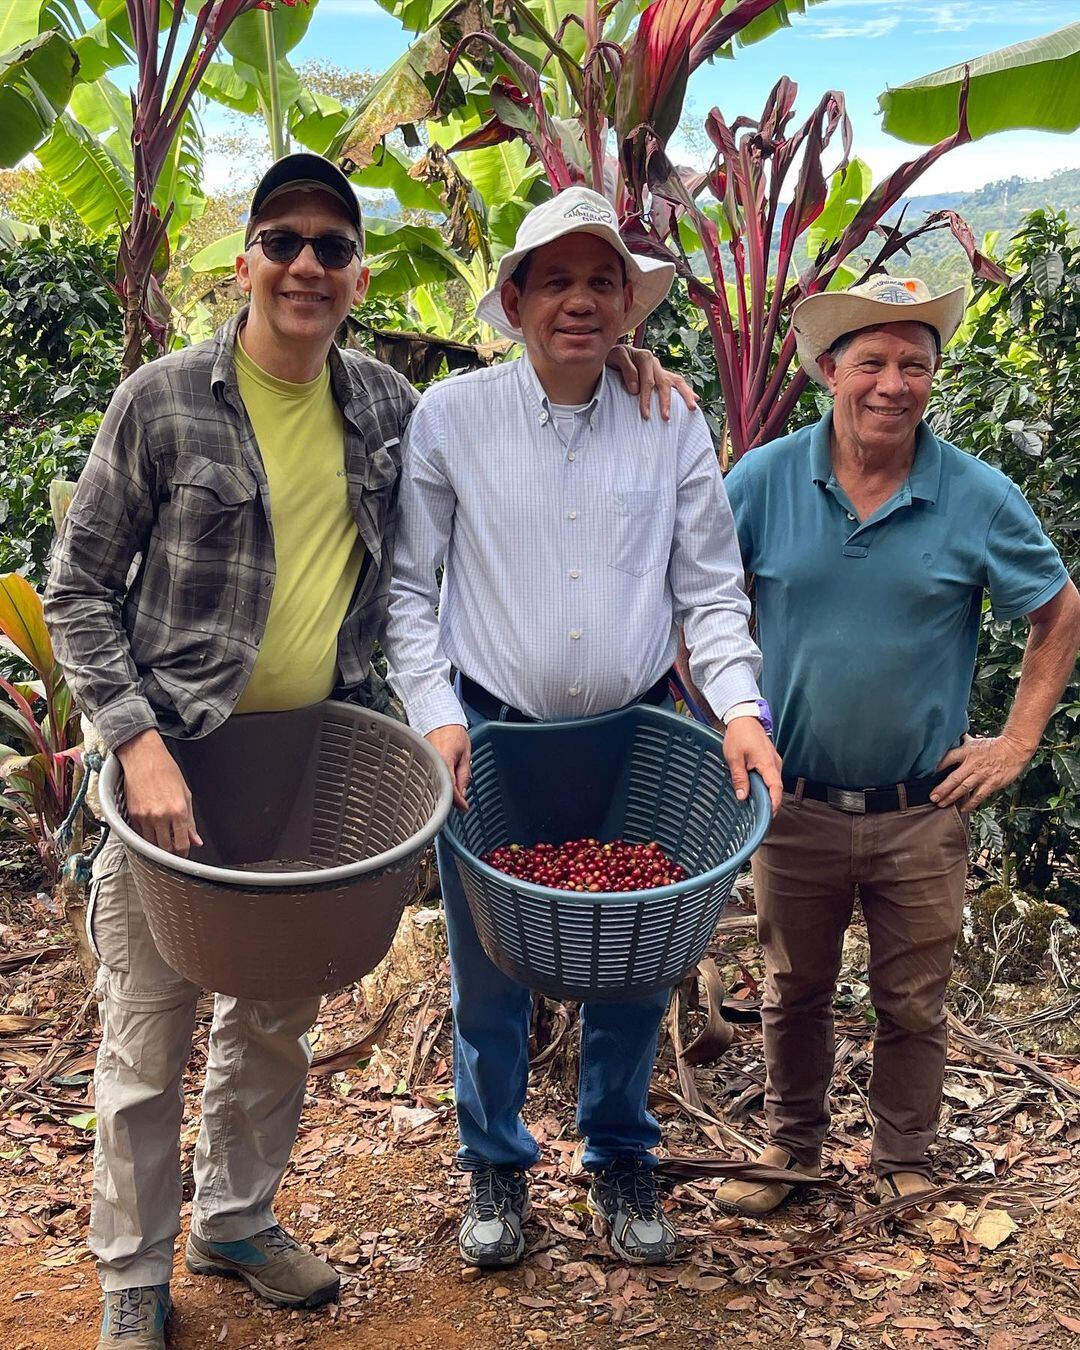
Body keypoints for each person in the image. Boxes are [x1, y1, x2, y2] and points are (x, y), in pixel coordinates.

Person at [44, 155, 690, 1350]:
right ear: (243, 262)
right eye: (283, 242)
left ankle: (233, 1220)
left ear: (355, 276)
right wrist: (132, 742)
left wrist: (628, 364)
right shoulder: (164, 400)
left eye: (332, 248)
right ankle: (131, 1273)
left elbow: (515, 427)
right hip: (171, 762)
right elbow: (77, 587)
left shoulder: (389, 406)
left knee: (276, 1010)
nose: (306, 266)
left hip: (312, 764)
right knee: (151, 1025)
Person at [382, 186, 783, 1270]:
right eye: (553, 280)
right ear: (513, 300)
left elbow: (709, 590)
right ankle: (496, 1165)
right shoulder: (451, 418)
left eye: (600, 280)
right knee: (489, 971)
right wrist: (433, 716)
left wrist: (740, 710)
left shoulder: (670, 419)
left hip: (634, 734)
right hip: (493, 732)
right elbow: (409, 591)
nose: (579, 301)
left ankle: (618, 1153)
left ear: (627, 304)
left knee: (637, 957)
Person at [712, 274, 1080, 1217]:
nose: (892, 383)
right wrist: (730, 716)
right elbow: (699, 604)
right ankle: (791, 1150)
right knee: (792, 992)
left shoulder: (976, 495)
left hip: (923, 808)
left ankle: (902, 1153)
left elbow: (1059, 610)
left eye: (914, 363)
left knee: (912, 1000)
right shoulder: (761, 481)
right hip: (793, 805)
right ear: (830, 369)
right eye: (870, 361)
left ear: (933, 377)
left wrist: (1016, 742)